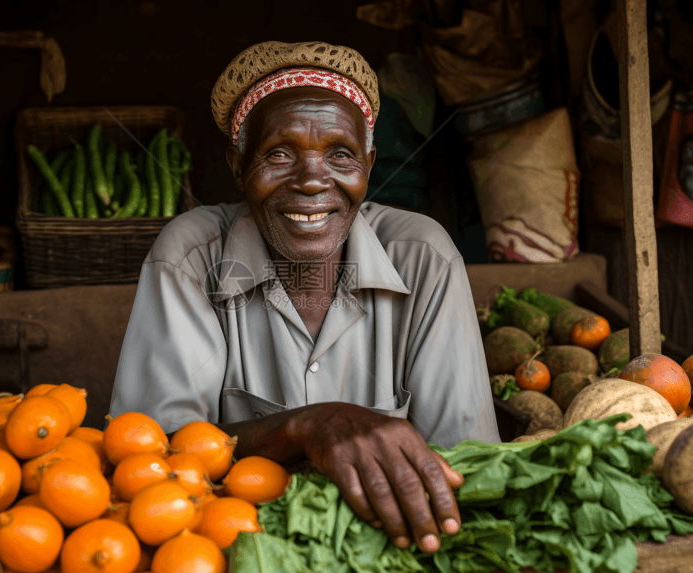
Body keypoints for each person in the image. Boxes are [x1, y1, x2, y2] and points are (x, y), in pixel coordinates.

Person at [109, 40, 501, 554]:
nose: (313, 180)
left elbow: (466, 463)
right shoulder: (191, 256)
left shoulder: (422, 257)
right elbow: (150, 464)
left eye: (340, 154)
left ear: (369, 163)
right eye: (279, 153)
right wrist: (304, 429)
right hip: (227, 548)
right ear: (237, 166)